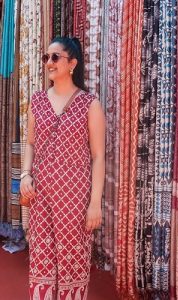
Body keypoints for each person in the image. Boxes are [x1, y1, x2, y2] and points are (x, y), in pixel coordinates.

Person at [20, 36, 105, 300]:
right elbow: (31, 143)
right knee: (41, 258)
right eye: (46, 57)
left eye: (55, 57)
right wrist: (25, 174)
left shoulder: (90, 104)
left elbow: (98, 156)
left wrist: (95, 203)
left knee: (72, 260)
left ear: (73, 63)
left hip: (75, 198)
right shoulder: (37, 101)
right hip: (41, 195)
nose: (49, 63)